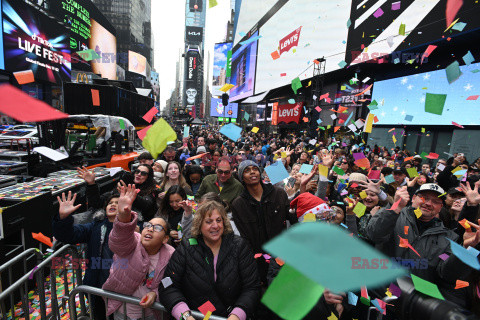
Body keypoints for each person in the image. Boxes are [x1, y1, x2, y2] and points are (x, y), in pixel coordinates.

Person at [366, 183, 479, 308]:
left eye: (436, 201)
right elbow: (374, 234)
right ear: (414, 198)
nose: (429, 203)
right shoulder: (394, 215)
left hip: (416, 305)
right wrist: (396, 207)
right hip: (382, 297)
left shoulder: (449, 238)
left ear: (440, 207)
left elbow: (447, 274)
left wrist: (465, 251)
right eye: (424, 197)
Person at [159, 200, 261, 320]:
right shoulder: (187, 248)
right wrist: (185, 315)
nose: (215, 226)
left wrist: (237, 315)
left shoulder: (239, 246)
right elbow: (168, 286)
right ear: (199, 224)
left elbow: (252, 287)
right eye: (209, 222)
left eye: (219, 220)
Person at [102, 184, 175, 320]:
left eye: (157, 227)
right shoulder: (133, 242)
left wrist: (155, 294)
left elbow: (171, 282)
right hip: (124, 311)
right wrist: (124, 215)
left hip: (152, 313)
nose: (150, 229)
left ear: (165, 238)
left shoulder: (171, 254)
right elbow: (118, 241)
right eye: (148, 225)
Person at [53, 191, 119, 320]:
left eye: (118, 203)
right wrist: (63, 218)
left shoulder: (135, 228)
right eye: (110, 203)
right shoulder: (95, 226)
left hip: (123, 290)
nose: (113, 205)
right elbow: (68, 235)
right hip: (97, 288)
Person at [231, 160, 295, 284]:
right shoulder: (238, 204)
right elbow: (244, 238)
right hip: (258, 261)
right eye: (247, 170)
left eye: (254, 169)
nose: (252, 172)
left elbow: (292, 220)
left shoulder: (278, 193)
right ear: (241, 178)